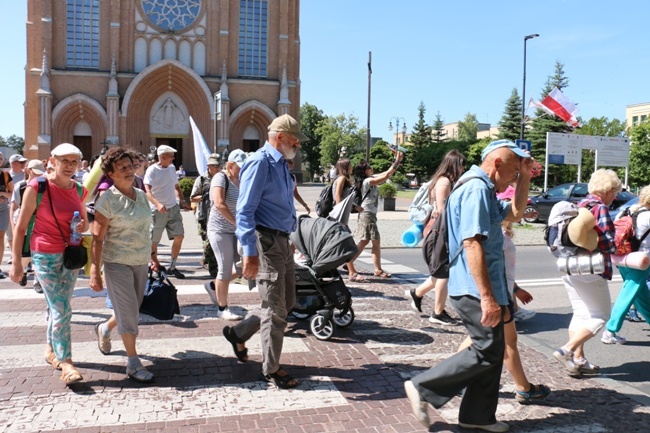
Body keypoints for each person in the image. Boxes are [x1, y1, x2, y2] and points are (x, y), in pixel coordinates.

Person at [404, 139, 532, 432]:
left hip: (485, 287)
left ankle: (477, 416)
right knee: (487, 349)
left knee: (493, 350)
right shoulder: (476, 188)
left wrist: (524, 177)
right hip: (475, 289)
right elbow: (472, 243)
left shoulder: (484, 188)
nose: (514, 176)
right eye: (513, 169)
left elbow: (515, 213)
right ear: (497, 163)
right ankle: (422, 386)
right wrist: (487, 297)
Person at [222, 113, 306, 389]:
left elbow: (282, 205)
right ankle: (271, 368)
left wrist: (290, 237)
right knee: (276, 308)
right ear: (280, 136)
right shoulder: (260, 162)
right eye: (295, 139)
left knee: (287, 301)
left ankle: (239, 333)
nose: (298, 145)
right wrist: (249, 252)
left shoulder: (280, 163)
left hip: (281, 241)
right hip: (265, 241)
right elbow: (245, 210)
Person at [9, 143, 89, 386]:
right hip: (44, 253)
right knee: (62, 307)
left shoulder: (79, 190)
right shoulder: (37, 187)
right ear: (52, 161)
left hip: (70, 254)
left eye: (74, 162)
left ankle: (49, 350)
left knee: (58, 306)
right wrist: (16, 264)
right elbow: (21, 228)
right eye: (65, 161)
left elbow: (85, 222)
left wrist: (83, 226)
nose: (70, 166)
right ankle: (66, 363)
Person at [89, 147, 156, 383]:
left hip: (140, 261)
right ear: (111, 174)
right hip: (117, 262)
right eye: (122, 168)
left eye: (130, 166)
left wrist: (154, 257)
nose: (129, 170)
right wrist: (95, 271)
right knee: (129, 313)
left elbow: (146, 229)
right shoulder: (107, 199)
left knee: (132, 309)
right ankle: (133, 362)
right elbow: (97, 238)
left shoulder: (140, 194)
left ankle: (105, 328)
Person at [552, 168, 620, 375]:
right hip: (591, 267)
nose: (615, 196)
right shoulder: (600, 208)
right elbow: (608, 244)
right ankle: (567, 350)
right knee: (601, 315)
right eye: (615, 191)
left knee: (581, 313)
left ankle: (578, 361)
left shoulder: (579, 205)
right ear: (607, 190)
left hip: (569, 265)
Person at [406, 149, 465, 325]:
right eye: (461, 165)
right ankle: (437, 313)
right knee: (444, 274)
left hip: (439, 231)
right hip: (440, 232)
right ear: (454, 165)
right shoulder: (444, 182)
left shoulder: (443, 181)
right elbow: (441, 210)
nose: (463, 169)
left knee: (441, 272)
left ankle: (416, 294)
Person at [601, 185, 650, 344]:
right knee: (628, 294)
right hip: (641, 260)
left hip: (622, 257)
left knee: (640, 295)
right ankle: (610, 330)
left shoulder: (627, 210)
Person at [203, 149, 248, 320]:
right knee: (224, 268)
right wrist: (236, 222)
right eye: (239, 167)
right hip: (220, 229)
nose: (242, 170)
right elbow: (220, 204)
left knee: (242, 267)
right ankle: (222, 308)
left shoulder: (241, 179)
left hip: (237, 230)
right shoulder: (220, 178)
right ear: (229, 165)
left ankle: (214, 286)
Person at [345, 153, 403, 282]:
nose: (372, 169)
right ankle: (377, 269)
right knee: (375, 241)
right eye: (369, 168)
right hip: (367, 214)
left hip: (368, 214)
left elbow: (386, 173)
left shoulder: (368, 179)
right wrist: (397, 161)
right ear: (364, 171)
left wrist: (395, 162)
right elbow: (386, 176)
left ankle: (349, 261)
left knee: (365, 240)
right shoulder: (367, 181)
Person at [144, 145, 191, 279]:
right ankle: (154, 265)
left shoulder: (171, 168)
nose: (174, 158)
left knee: (179, 236)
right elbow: (147, 191)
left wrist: (182, 201)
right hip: (157, 211)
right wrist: (158, 204)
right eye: (171, 156)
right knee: (153, 241)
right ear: (162, 157)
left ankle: (172, 266)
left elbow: (176, 187)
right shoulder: (152, 170)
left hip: (173, 208)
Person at [10, 159, 45, 290]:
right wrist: (14, 227)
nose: (38, 176)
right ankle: (23, 271)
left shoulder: (44, 186)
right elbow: (13, 207)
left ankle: (38, 281)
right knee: (25, 254)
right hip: (23, 224)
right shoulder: (20, 186)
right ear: (28, 171)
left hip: (39, 224)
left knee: (38, 253)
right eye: (35, 173)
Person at [191, 154, 222, 278]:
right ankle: (213, 268)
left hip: (219, 216)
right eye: (215, 165)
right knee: (208, 243)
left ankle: (209, 262)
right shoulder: (202, 179)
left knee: (215, 242)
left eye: (219, 165)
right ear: (209, 166)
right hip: (205, 216)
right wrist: (206, 196)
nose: (218, 167)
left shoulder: (222, 178)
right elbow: (193, 197)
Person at [0, 152, 14, 279]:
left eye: (0, 158)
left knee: (0, 238)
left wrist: (3, 194)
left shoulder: (5, 175)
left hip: (3, 209)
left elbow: (13, 193)